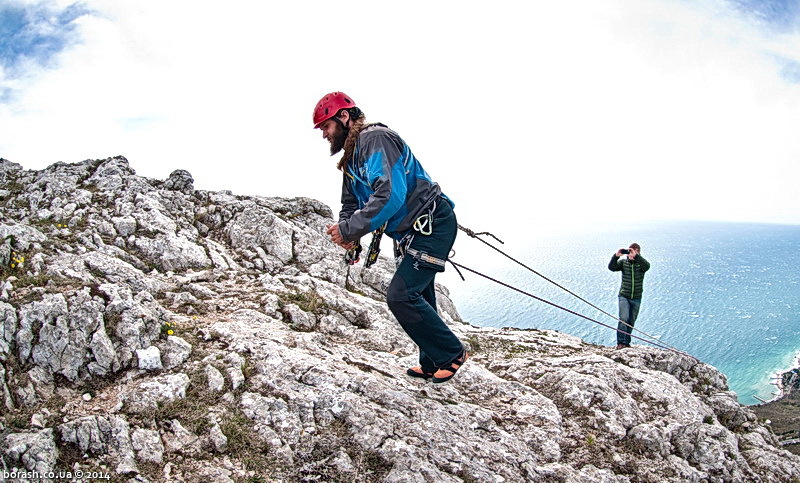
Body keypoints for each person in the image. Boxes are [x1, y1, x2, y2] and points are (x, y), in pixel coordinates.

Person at [313, 91, 467, 383]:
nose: (324, 135)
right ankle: (433, 361)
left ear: (343, 117)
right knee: (419, 292)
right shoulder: (352, 156)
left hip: (431, 223)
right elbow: (350, 204)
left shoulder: (376, 140)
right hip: (412, 230)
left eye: (326, 126)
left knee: (401, 295)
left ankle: (451, 353)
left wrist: (349, 230)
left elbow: (389, 195)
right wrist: (350, 235)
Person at [608, 243, 650, 349]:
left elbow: (647, 266)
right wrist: (616, 256)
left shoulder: (641, 265)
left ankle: (626, 343)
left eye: (633, 252)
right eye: (630, 251)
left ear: (638, 253)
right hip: (624, 296)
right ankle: (620, 343)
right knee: (624, 318)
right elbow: (611, 267)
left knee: (631, 321)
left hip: (636, 297)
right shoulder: (623, 263)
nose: (630, 254)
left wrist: (636, 257)